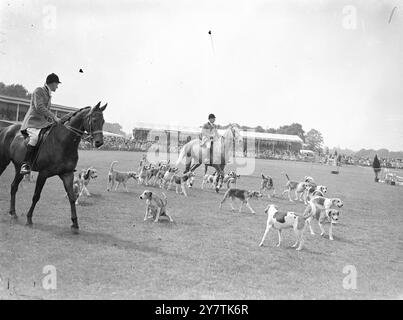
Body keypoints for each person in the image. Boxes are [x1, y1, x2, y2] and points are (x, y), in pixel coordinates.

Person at [20, 73, 62, 175]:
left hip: (42, 123)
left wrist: (52, 120)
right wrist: (54, 117)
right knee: (34, 138)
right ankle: (25, 164)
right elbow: (39, 107)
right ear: (52, 83)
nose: (57, 86)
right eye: (57, 84)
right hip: (32, 122)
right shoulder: (38, 91)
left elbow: (45, 112)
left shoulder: (48, 94)